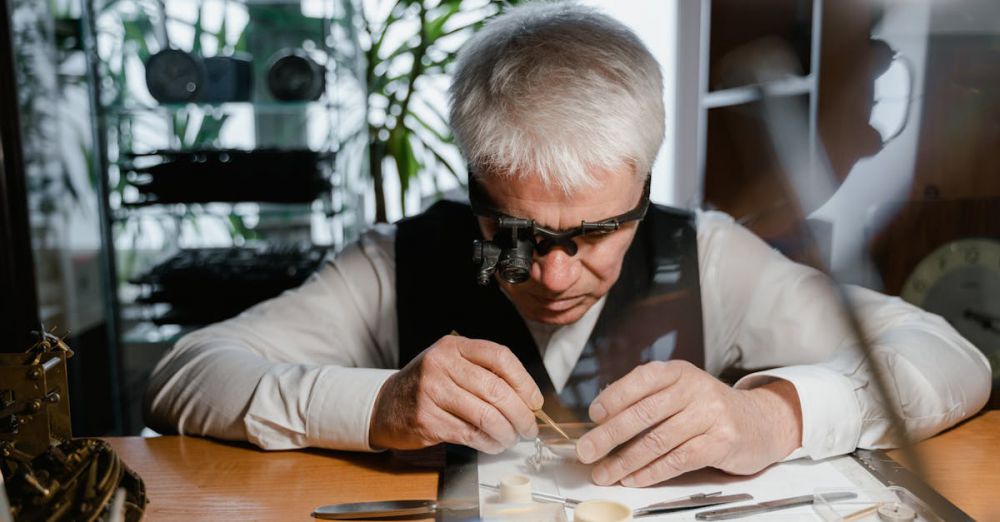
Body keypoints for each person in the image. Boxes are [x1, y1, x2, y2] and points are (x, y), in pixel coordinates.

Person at [145, 2, 990, 488]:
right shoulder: (397, 258)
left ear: (643, 187)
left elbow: (954, 359)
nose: (552, 273)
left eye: (595, 233)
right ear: (475, 189)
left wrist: (768, 417)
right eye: (516, 234)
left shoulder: (710, 254)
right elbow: (183, 374)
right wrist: (375, 406)